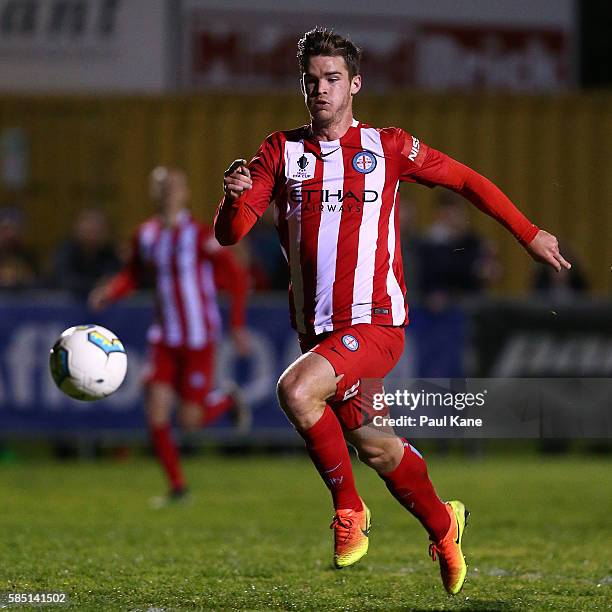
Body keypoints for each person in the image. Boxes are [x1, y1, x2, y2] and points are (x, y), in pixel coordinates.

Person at [215, 28, 571, 595]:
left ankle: (349, 510)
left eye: (333, 79)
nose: (321, 90)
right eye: (312, 81)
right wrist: (233, 196)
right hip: (320, 332)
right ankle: (444, 525)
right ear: (301, 87)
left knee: (296, 391)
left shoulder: (388, 147)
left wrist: (527, 233)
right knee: (378, 446)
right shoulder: (280, 152)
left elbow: (465, 180)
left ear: (355, 84)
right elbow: (232, 234)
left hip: (377, 322)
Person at [90, 167, 251, 504]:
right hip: (163, 337)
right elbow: (132, 276)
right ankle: (178, 488)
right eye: (162, 186)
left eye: (174, 186)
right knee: (156, 412)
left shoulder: (200, 235)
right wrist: (109, 293)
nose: (167, 192)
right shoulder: (146, 235)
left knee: (191, 421)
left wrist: (237, 326)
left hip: (198, 337)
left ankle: (227, 400)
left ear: (185, 194)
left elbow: (236, 277)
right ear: (154, 193)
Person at [51, 207, 121, 299]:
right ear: (77, 230)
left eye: (98, 230)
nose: (93, 236)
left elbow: (117, 278)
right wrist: (94, 285)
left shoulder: (109, 253)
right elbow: (64, 280)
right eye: (89, 230)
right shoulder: (66, 252)